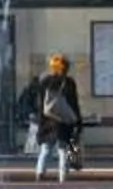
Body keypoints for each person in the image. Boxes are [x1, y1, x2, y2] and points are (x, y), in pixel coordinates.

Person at [26, 53, 84, 181]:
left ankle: (40, 172)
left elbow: (39, 104)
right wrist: (78, 122)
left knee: (45, 149)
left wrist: (39, 118)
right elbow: (74, 104)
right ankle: (63, 176)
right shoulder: (69, 82)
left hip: (47, 121)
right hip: (63, 122)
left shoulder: (44, 81)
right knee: (63, 150)